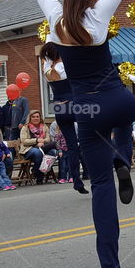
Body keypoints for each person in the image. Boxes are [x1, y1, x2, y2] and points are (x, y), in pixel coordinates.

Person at [16, 0, 135, 268]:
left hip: (86, 108)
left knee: (101, 186)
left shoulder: (56, 22)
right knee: (127, 115)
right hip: (119, 101)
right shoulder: (100, 15)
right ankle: (125, 157)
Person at [40, 43, 91, 197]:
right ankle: (92, 173)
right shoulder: (66, 66)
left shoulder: (47, 70)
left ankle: (76, 180)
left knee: (71, 147)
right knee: (89, 138)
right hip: (73, 105)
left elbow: (45, 60)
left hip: (59, 109)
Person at [19, 110, 57, 185]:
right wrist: (36, 140)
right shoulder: (25, 127)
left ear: (40, 118)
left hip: (42, 147)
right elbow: (24, 141)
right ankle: (39, 176)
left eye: (37, 117)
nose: (36, 118)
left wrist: (42, 142)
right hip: (28, 149)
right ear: (30, 118)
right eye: (33, 117)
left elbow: (48, 139)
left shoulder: (44, 126)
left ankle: (35, 171)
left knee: (52, 152)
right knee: (37, 152)